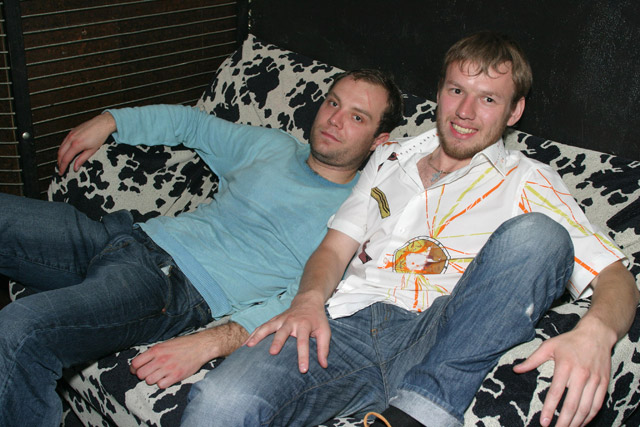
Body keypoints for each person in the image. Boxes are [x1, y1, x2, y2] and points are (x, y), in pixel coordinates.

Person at [182, 32, 639, 427]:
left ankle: (419, 412)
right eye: (457, 90)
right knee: (219, 402)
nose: (465, 111)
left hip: (441, 331)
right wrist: (307, 300)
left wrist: (597, 332)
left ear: (514, 111)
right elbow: (334, 250)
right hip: (345, 326)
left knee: (539, 234)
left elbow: (615, 276)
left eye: (488, 99)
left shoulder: (527, 179)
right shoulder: (389, 158)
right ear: (439, 91)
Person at [0, 69, 403, 426]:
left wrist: (207, 343)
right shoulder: (274, 147)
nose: (334, 119)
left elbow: (303, 304)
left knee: (22, 330)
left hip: (166, 287)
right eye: (333, 102)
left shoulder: (358, 218)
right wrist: (111, 121)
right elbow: (192, 125)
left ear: (378, 141)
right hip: (122, 236)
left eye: (357, 117)